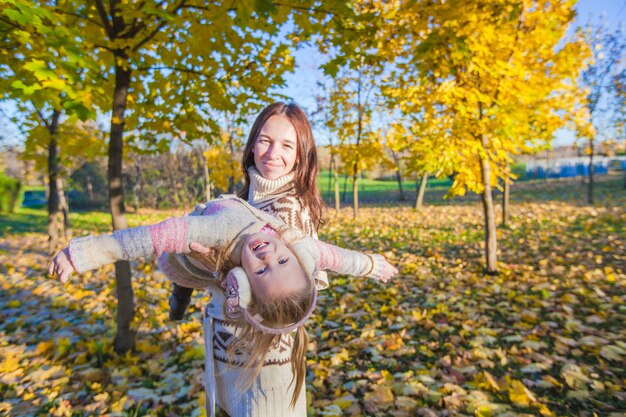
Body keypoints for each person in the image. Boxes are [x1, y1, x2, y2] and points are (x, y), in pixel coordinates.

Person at [49, 195, 398, 417]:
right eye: (282, 263)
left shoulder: (220, 231)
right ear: (299, 258)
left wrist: (81, 255)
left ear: (245, 279)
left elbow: (147, 240)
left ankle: (179, 297)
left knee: (183, 281)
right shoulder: (298, 244)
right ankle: (180, 298)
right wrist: (373, 265)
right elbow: (338, 258)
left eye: (261, 271)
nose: (268, 256)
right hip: (210, 223)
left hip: (178, 261)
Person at [169, 101, 328, 321]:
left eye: (287, 146)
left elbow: (289, 303)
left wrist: (215, 265)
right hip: (224, 340)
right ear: (252, 145)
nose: (273, 153)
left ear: (300, 155)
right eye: (265, 141)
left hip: (258, 350)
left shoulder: (289, 209)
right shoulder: (245, 201)